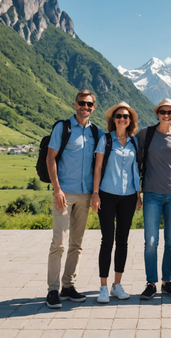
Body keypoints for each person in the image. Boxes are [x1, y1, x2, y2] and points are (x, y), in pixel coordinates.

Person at [45, 90, 102, 309]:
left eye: (89, 104)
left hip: (86, 194)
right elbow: (51, 158)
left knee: (76, 244)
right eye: (82, 103)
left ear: (94, 107)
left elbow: (97, 166)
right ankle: (52, 290)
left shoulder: (96, 132)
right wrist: (57, 189)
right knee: (58, 242)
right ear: (75, 104)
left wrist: (95, 193)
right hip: (64, 193)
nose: (85, 107)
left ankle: (68, 286)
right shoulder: (63, 128)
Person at [136, 98, 171, 300]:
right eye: (163, 111)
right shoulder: (145, 134)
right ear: (157, 113)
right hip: (151, 194)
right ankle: (151, 283)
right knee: (150, 241)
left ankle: (167, 282)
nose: (166, 115)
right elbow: (136, 163)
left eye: (170, 112)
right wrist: (137, 194)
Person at [91, 102, 141, 304]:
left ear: (130, 121)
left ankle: (116, 285)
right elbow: (98, 168)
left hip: (128, 196)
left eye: (126, 117)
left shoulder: (134, 142)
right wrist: (95, 194)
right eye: (119, 116)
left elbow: (135, 170)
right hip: (107, 195)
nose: (122, 119)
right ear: (113, 119)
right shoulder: (105, 140)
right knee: (107, 240)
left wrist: (138, 195)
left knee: (123, 240)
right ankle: (103, 286)